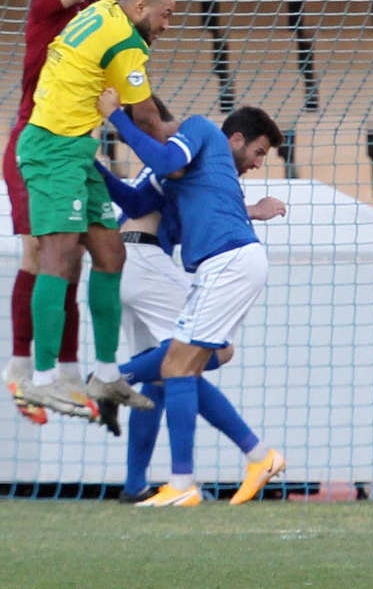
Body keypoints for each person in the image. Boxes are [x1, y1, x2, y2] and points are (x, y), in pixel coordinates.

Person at [1, 0, 175, 427]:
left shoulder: (107, 7)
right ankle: (33, 375)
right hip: (42, 139)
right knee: (49, 256)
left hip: (78, 143)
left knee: (107, 253)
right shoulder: (52, 2)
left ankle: (100, 371)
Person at [96, 90, 288, 507]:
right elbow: (137, 198)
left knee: (178, 365)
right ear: (235, 139)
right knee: (175, 368)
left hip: (206, 263)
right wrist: (95, 165)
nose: (259, 163)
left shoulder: (190, 152)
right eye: (258, 152)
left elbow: (173, 179)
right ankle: (229, 465)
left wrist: (115, 121)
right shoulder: (196, 134)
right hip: (192, 262)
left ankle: (180, 477)